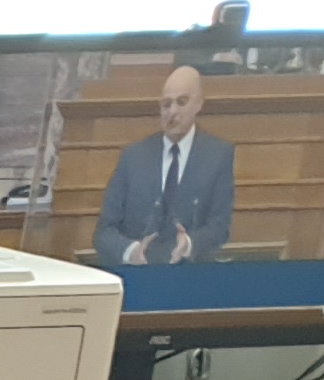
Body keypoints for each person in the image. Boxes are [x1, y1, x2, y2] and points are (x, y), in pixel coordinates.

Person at [95, 64, 234, 266]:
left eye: (182, 102)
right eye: (166, 105)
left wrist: (189, 244)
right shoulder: (133, 156)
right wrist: (132, 252)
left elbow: (219, 227)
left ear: (199, 104)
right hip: (139, 274)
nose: (172, 112)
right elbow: (104, 232)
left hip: (191, 273)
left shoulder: (218, 155)